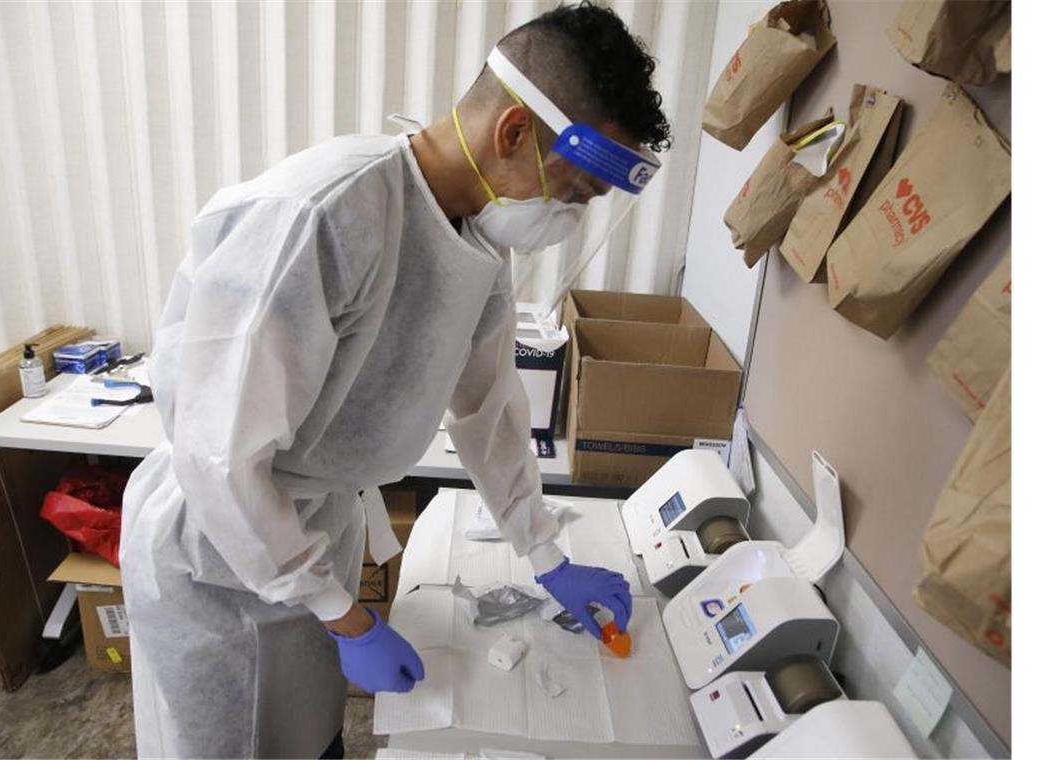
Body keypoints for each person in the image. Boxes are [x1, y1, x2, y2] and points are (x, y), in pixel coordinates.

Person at [119, 2, 673, 757]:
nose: (570, 217)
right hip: (221, 559)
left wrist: (547, 555)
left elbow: (488, 409)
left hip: (310, 540)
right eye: (574, 192)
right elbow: (219, 453)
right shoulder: (323, 214)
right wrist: (340, 614)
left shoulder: (475, 240)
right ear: (513, 132)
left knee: (311, 740)